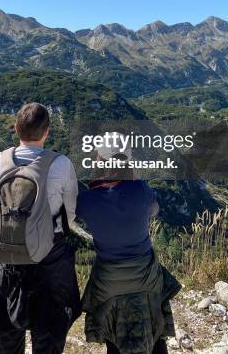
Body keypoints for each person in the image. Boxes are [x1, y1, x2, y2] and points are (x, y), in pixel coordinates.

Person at [0, 102, 80, 354]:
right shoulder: (61, 164)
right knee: (48, 336)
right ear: (47, 132)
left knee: (8, 339)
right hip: (49, 258)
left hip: (8, 257)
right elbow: (70, 213)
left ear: (16, 129)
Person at [76, 134, 181, 354]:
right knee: (156, 332)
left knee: (114, 336)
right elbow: (154, 210)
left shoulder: (87, 201)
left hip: (109, 283)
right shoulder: (141, 190)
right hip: (147, 278)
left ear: (100, 161)